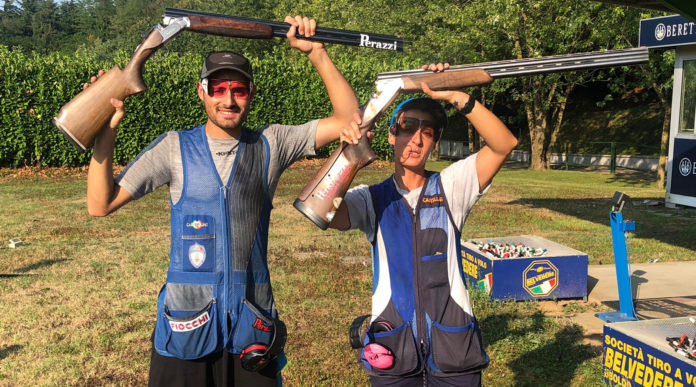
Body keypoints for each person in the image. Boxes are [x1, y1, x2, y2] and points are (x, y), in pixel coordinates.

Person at [85, 15, 360, 387]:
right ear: (202, 92)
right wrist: (106, 131)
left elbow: (348, 119)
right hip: (185, 327)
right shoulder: (173, 147)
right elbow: (100, 204)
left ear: (252, 93)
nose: (228, 100)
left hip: (252, 327)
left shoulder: (271, 144)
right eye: (218, 88)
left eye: (239, 90)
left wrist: (317, 53)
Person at [329, 63, 518, 386]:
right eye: (407, 127)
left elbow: (504, 144)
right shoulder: (371, 199)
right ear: (391, 134)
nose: (416, 139)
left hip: (454, 350)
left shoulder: (452, 187)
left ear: (435, 143)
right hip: (393, 348)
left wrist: (456, 95)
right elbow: (323, 211)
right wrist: (350, 154)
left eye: (427, 131)